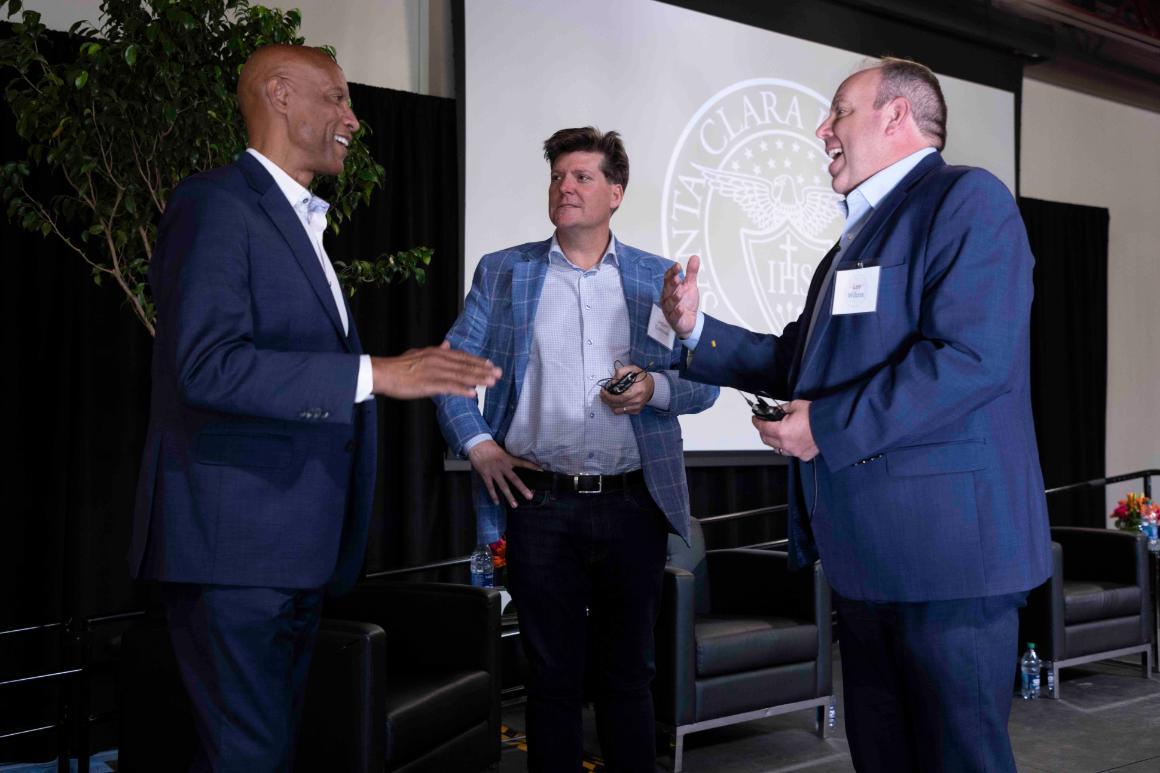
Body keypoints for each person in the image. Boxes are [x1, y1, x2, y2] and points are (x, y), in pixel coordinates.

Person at [661, 58, 1051, 772]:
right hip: (867, 562)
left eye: (838, 112)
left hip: (950, 562)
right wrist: (696, 333)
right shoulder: (850, 245)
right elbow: (799, 361)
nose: (823, 130)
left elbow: (970, 359)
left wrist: (825, 426)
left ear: (896, 116)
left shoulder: (968, 201)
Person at [129, 44, 500, 772]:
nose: (352, 120)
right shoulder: (214, 204)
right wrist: (376, 372)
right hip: (234, 556)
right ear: (279, 94)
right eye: (335, 98)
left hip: (292, 557)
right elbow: (207, 366)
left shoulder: (298, 223)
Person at [434, 127, 718, 771]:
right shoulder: (506, 271)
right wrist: (478, 443)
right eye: (559, 177)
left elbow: (705, 390)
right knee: (552, 680)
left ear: (615, 193)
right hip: (541, 505)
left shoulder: (658, 278)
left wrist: (655, 386)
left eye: (583, 177)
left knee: (628, 676)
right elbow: (451, 368)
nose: (566, 187)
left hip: (631, 504)